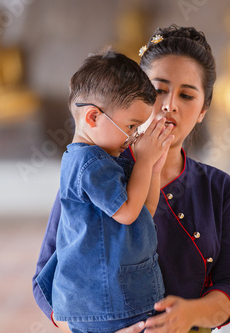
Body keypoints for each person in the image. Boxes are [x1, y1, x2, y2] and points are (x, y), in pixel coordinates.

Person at [33, 25, 230, 333]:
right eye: (158, 89)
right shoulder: (97, 175)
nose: (169, 105)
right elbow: (46, 277)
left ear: (203, 110)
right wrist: (94, 324)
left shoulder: (220, 189)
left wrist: (191, 314)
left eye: (187, 95)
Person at [35, 49, 175, 333]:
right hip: (102, 303)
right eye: (131, 126)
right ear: (93, 117)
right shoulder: (88, 163)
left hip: (115, 300)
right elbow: (126, 212)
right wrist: (144, 161)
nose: (134, 135)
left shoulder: (105, 159)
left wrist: (154, 169)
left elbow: (141, 213)